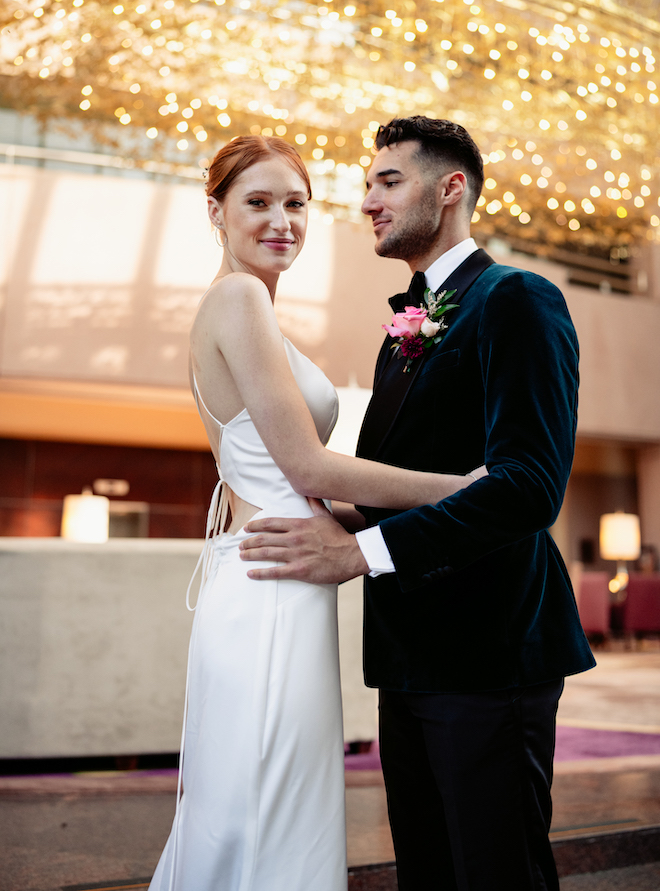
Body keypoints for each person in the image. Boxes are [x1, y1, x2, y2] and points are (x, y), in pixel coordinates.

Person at [239, 117, 596, 890]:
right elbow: (408, 478)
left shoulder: (519, 301)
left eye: (388, 181)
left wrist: (354, 553)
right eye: (369, 183)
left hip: (490, 652)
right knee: (427, 873)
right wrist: (328, 523)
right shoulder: (403, 327)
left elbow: (529, 486)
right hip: (408, 656)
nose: (367, 199)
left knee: (495, 873)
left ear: (451, 187)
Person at [148, 134, 485, 891]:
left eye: (295, 203)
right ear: (216, 211)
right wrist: (457, 488)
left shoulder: (252, 308)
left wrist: (368, 528)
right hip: (269, 587)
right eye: (258, 202)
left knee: (261, 801)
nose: (282, 221)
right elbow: (304, 467)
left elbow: (297, 485)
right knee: (265, 806)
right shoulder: (236, 298)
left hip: (278, 571)